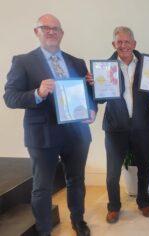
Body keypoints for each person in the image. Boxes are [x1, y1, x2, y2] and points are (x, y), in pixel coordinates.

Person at [3, 14, 95, 236]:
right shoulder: (23, 61)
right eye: (46, 28)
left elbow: (87, 96)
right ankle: (44, 230)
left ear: (62, 33)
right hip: (42, 135)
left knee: (76, 180)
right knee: (42, 187)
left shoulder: (77, 62)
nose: (52, 32)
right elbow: (10, 97)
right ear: (37, 32)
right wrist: (38, 93)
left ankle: (78, 221)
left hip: (76, 134)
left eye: (56, 29)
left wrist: (92, 109)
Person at [86, 26, 149, 223]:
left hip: (142, 126)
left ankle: (143, 201)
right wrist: (93, 85)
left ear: (134, 44)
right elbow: (99, 100)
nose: (123, 45)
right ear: (113, 44)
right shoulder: (103, 68)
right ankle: (114, 207)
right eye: (119, 42)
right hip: (115, 127)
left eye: (127, 42)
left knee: (145, 167)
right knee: (112, 172)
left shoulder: (148, 65)